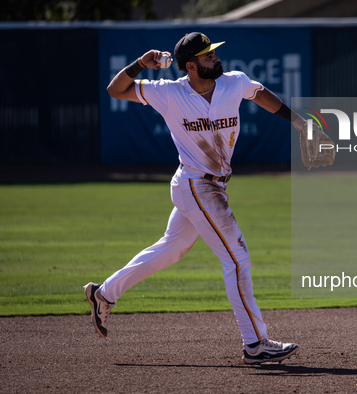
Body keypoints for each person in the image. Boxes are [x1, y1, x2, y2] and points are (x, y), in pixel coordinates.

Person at [84, 32, 306, 365]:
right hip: (196, 185)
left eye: (213, 53)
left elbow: (261, 95)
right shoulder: (170, 92)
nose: (215, 58)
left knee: (172, 249)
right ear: (191, 65)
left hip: (210, 186)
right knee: (237, 260)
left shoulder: (234, 83)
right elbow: (115, 90)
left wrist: (300, 124)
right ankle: (256, 344)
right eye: (207, 56)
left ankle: (104, 293)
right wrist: (141, 64)